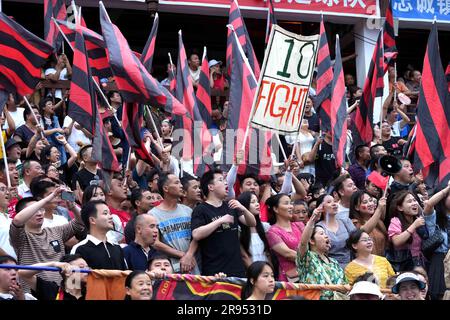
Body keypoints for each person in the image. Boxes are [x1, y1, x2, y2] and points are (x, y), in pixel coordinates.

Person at [9, 189, 84, 287]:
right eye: (35, 210)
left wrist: (73, 207)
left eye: (41, 209)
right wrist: (48, 198)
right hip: (33, 292)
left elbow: (81, 221)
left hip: (60, 290)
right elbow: (18, 220)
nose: (40, 213)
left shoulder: (56, 231)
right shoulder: (20, 237)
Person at [191, 169, 256, 277]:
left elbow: (251, 223)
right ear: (210, 187)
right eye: (221, 180)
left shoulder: (231, 206)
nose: (226, 183)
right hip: (214, 272)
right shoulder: (200, 209)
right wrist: (220, 220)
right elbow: (196, 234)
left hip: (237, 270)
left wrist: (243, 209)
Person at [150, 173, 199, 274]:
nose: (181, 186)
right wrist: (182, 255)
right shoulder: (153, 214)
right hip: (170, 267)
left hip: (192, 264)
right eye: (176, 183)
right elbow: (155, 243)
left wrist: (189, 255)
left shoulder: (188, 211)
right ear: (166, 188)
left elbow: (196, 236)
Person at [296, 207, 347, 300]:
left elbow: (345, 286)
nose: (326, 236)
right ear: (311, 240)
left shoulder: (334, 262)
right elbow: (303, 243)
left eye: (326, 234)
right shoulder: (307, 258)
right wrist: (312, 220)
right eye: (322, 234)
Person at [71, 200, 127, 270]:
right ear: (92, 220)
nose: (111, 217)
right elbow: (75, 279)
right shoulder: (80, 248)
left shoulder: (117, 248)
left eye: (110, 213)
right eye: (105, 213)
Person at [387, 190, 434, 271]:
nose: (414, 203)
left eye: (414, 200)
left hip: (421, 261)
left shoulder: (418, 219)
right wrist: (414, 226)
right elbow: (396, 241)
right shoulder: (396, 221)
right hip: (404, 263)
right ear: (400, 207)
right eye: (409, 201)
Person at [266, 194, 304, 282]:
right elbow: (288, 254)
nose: (291, 206)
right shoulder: (272, 232)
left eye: (291, 203)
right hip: (291, 278)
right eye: (286, 203)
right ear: (275, 209)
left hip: (310, 272)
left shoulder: (299, 225)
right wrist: (313, 259)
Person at [19, 254, 89, 300]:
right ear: (67, 272)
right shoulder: (51, 291)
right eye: (81, 267)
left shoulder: (92, 292)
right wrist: (53, 264)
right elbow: (22, 273)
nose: (87, 270)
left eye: (87, 267)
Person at [237, 192, 274, 269]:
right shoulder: (239, 229)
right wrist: (255, 273)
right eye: (253, 202)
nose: (257, 204)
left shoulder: (264, 227)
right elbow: (245, 256)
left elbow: (267, 252)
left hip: (266, 270)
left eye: (257, 201)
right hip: (252, 272)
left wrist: (270, 271)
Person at [349, 190, 388, 256]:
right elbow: (364, 230)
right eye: (365, 202)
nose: (370, 204)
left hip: (382, 261)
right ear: (356, 207)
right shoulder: (353, 223)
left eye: (370, 200)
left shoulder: (378, 220)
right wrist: (379, 209)